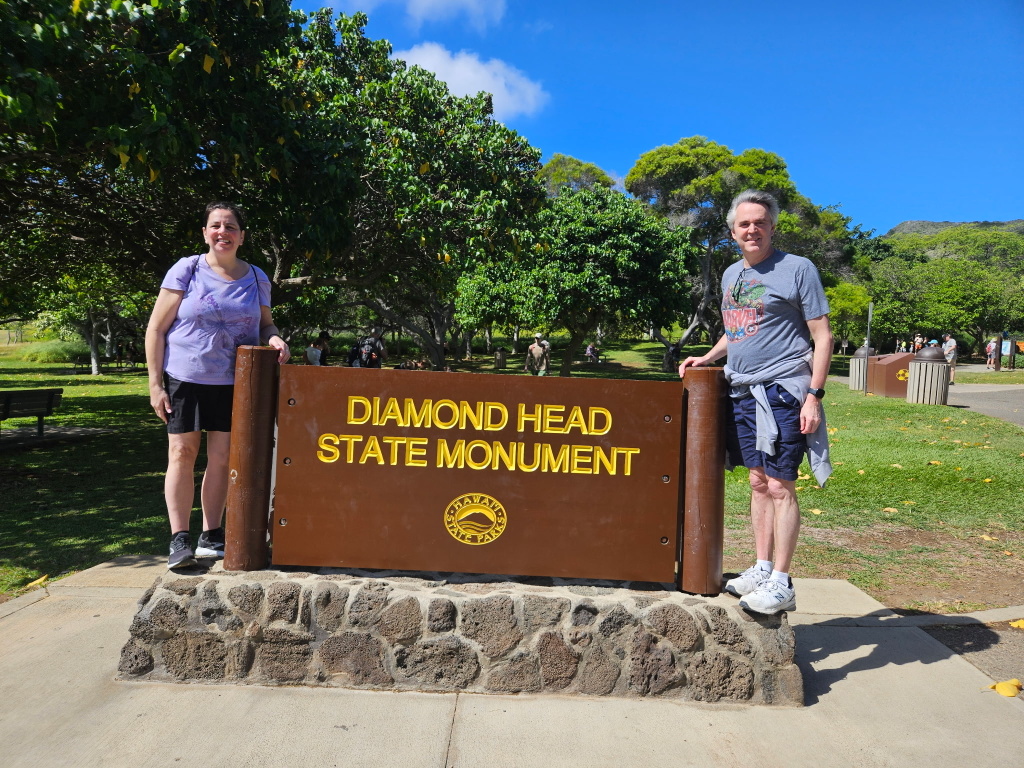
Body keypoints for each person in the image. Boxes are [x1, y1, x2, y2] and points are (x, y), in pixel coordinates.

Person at [678, 189, 832, 615]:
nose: (752, 230)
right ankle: (762, 568)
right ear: (733, 232)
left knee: (781, 486)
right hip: (743, 391)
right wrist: (708, 357)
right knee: (758, 482)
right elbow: (738, 331)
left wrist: (813, 396)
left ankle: (782, 582)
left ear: (772, 227)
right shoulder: (732, 275)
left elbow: (822, 336)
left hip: (783, 390)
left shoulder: (798, 269)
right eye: (744, 224)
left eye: (760, 222)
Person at [146, 202, 290, 570]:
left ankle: (211, 535)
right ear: (205, 233)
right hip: (185, 378)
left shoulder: (257, 277)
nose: (222, 232)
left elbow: (265, 325)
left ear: (242, 236)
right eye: (215, 226)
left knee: (223, 458)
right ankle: (179, 539)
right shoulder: (187, 269)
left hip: (235, 383)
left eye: (230, 227)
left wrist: (274, 338)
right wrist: (155, 385)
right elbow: (156, 329)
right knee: (182, 453)